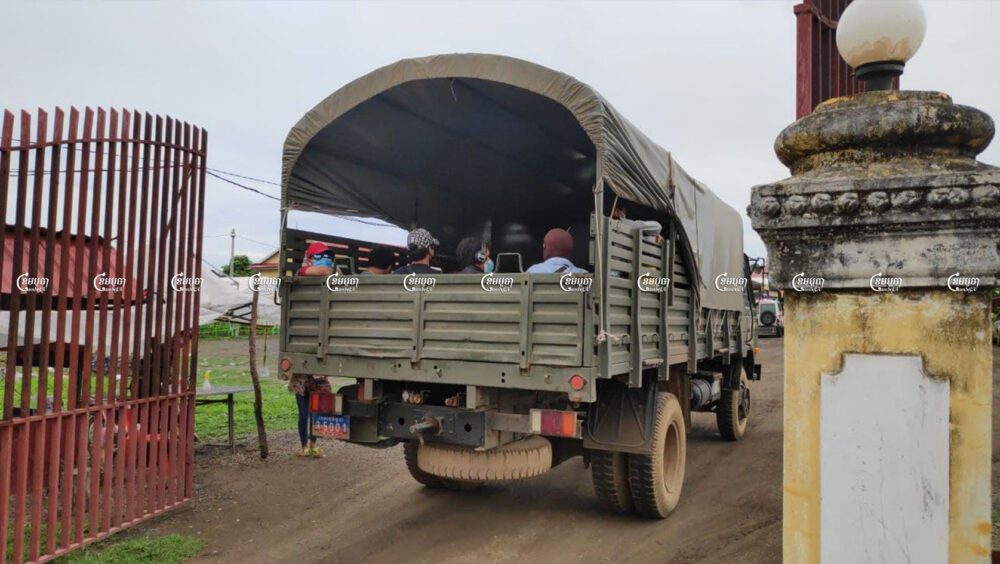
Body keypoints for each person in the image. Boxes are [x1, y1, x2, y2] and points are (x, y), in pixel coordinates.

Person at [288, 373, 330, 458]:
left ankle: (310, 447)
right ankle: (307, 447)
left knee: (311, 415)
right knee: (306, 415)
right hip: (303, 384)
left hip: (312, 384)